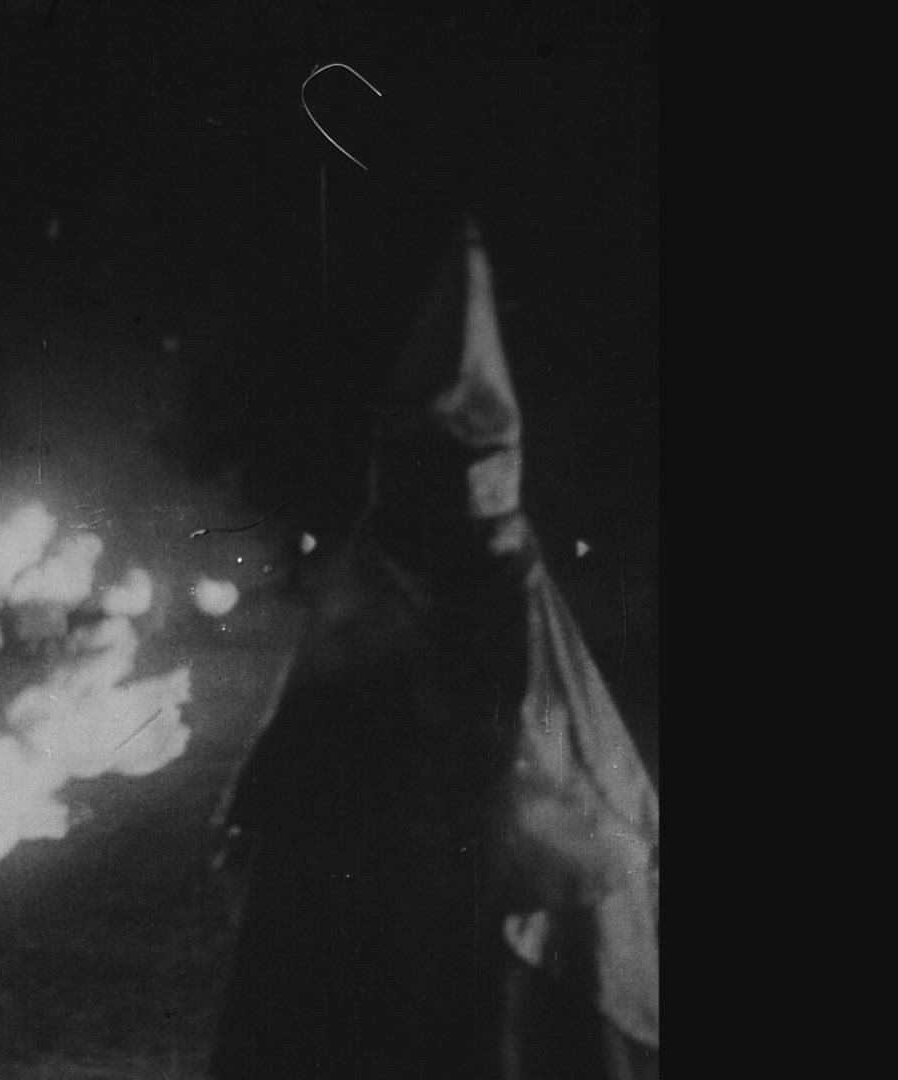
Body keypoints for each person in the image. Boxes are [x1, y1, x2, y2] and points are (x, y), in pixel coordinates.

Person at [209, 223, 659, 1079]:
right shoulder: (390, 582)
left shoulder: (505, 594)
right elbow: (299, 760)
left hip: (478, 913)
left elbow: (558, 807)